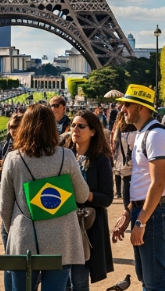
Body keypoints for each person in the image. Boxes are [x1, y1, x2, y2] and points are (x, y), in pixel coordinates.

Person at [0, 104, 90, 291]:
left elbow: (5, 207)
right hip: (61, 237)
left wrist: (15, 231)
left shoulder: (13, 159)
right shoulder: (67, 156)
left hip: (25, 236)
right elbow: (82, 195)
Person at [111, 84, 165, 291]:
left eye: (127, 105)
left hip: (154, 213)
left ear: (141, 107)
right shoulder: (143, 133)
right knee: (146, 278)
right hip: (148, 211)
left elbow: (158, 183)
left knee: (154, 280)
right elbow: (145, 181)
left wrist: (141, 220)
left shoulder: (155, 136)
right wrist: (129, 211)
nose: (122, 109)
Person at [66, 111, 114, 290]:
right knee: (62, 280)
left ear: (93, 131)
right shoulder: (64, 155)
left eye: (81, 126)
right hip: (63, 221)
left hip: (86, 225)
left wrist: (86, 195)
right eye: (73, 125)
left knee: (78, 279)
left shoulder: (101, 160)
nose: (75, 130)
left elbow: (107, 197)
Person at [0, 114, 22, 291]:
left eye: (17, 127)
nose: (13, 131)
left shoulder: (26, 149)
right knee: (9, 257)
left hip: (20, 208)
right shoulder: (5, 146)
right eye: (11, 127)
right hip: (7, 203)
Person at [111, 113, 136, 205]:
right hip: (134, 163)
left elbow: (114, 145)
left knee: (126, 185)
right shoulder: (135, 132)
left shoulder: (119, 132)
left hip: (123, 162)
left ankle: (126, 206)